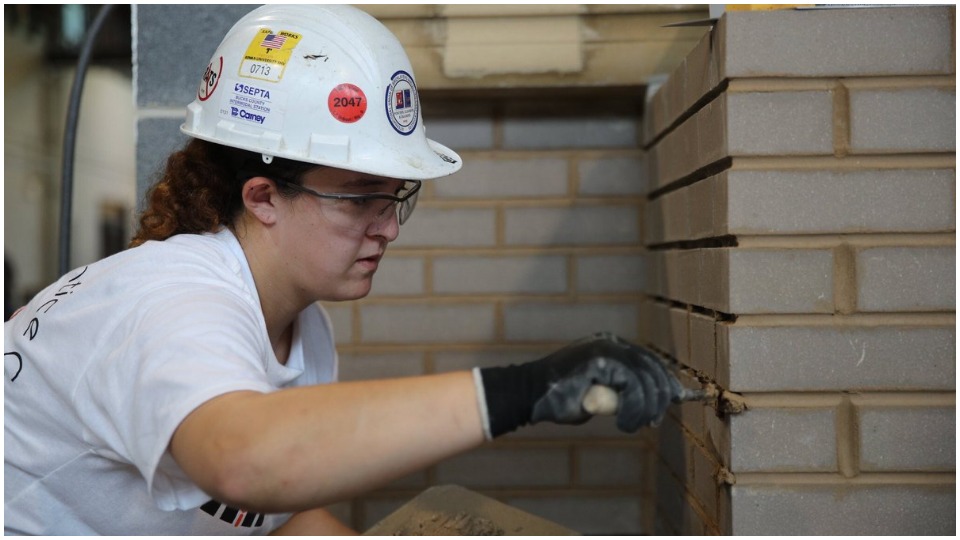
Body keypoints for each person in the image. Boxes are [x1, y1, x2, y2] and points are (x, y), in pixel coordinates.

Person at [3, 4, 683, 535]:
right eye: (360, 198)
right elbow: (245, 461)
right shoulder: (172, 302)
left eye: (394, 198)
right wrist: (524, 390)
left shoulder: (303, 328)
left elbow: (273, 520)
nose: (386, 226)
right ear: (263, 198)